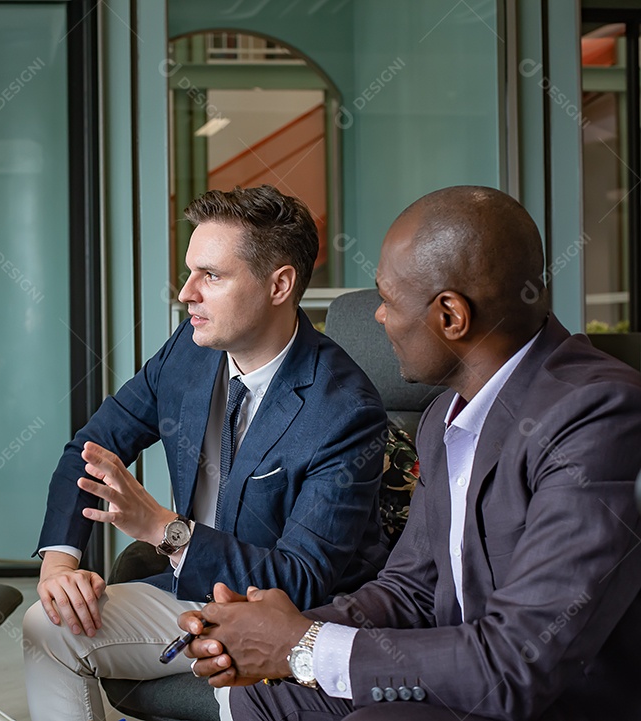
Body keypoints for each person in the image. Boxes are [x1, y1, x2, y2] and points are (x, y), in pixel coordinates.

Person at [179, 186, 641, 721]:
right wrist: (274, 631)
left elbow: (521, 661)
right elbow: (411, 590)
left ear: (450, 316)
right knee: (261, 693)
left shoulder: (596, 415)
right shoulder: (445, 416)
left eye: (387, 300)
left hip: (548, 699)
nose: (377, 318)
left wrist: (302, 647)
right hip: (462, 675)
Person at [23, 185, 391, 721]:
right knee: (47, 623)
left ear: (279, 284)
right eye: (190, 272)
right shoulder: (188, 353)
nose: (186, 293)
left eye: (211, 276)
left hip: (291, 614)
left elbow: (303, 577)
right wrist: (60, 565)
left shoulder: (343, 409)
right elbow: (90, 448)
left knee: (240, 694)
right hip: (193, 589)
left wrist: (164, 530)